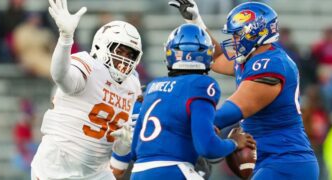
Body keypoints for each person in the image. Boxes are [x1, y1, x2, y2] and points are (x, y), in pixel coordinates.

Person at [170, 0, 319, 179]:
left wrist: (182, 123)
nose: (233, 40)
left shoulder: (271, 64)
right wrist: (196, 22)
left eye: (238, 35)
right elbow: (216, 58)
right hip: (270, 159)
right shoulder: (252, 58)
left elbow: (233, 110)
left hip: (285, 160)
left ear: (257, 33)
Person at [109, 23, 256, 179]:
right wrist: (233, 143)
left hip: (139, 173)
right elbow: (207, 148)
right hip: (174, 171)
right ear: (207, 54)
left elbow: (136, 150)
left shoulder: (153, 87)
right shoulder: (202, 85)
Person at [30, 0, 143, 179]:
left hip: (96, 171)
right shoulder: (89, 65)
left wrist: (124, 145)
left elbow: (119, 146)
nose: (125, 60)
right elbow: (61, 77)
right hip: (56, 166)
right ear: (102, 45)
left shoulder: (133, 86)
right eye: (120, 51)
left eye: (130, 55)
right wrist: (65, 38)